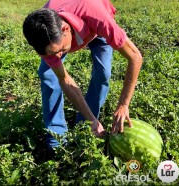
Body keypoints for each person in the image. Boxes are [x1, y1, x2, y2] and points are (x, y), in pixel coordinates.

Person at [23, 0, 143, 150]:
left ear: (66, 29)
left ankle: (84, 127)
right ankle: (57, 140)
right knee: (48, 75)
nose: (57, 56)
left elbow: (135, 57)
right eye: (52, 53)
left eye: (59, 50)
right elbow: (64, 79)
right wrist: (91, 119)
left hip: (94, 26)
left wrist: (123, 104)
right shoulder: (43, 36)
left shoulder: (98, 17)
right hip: (64, 31)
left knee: (102, 74)